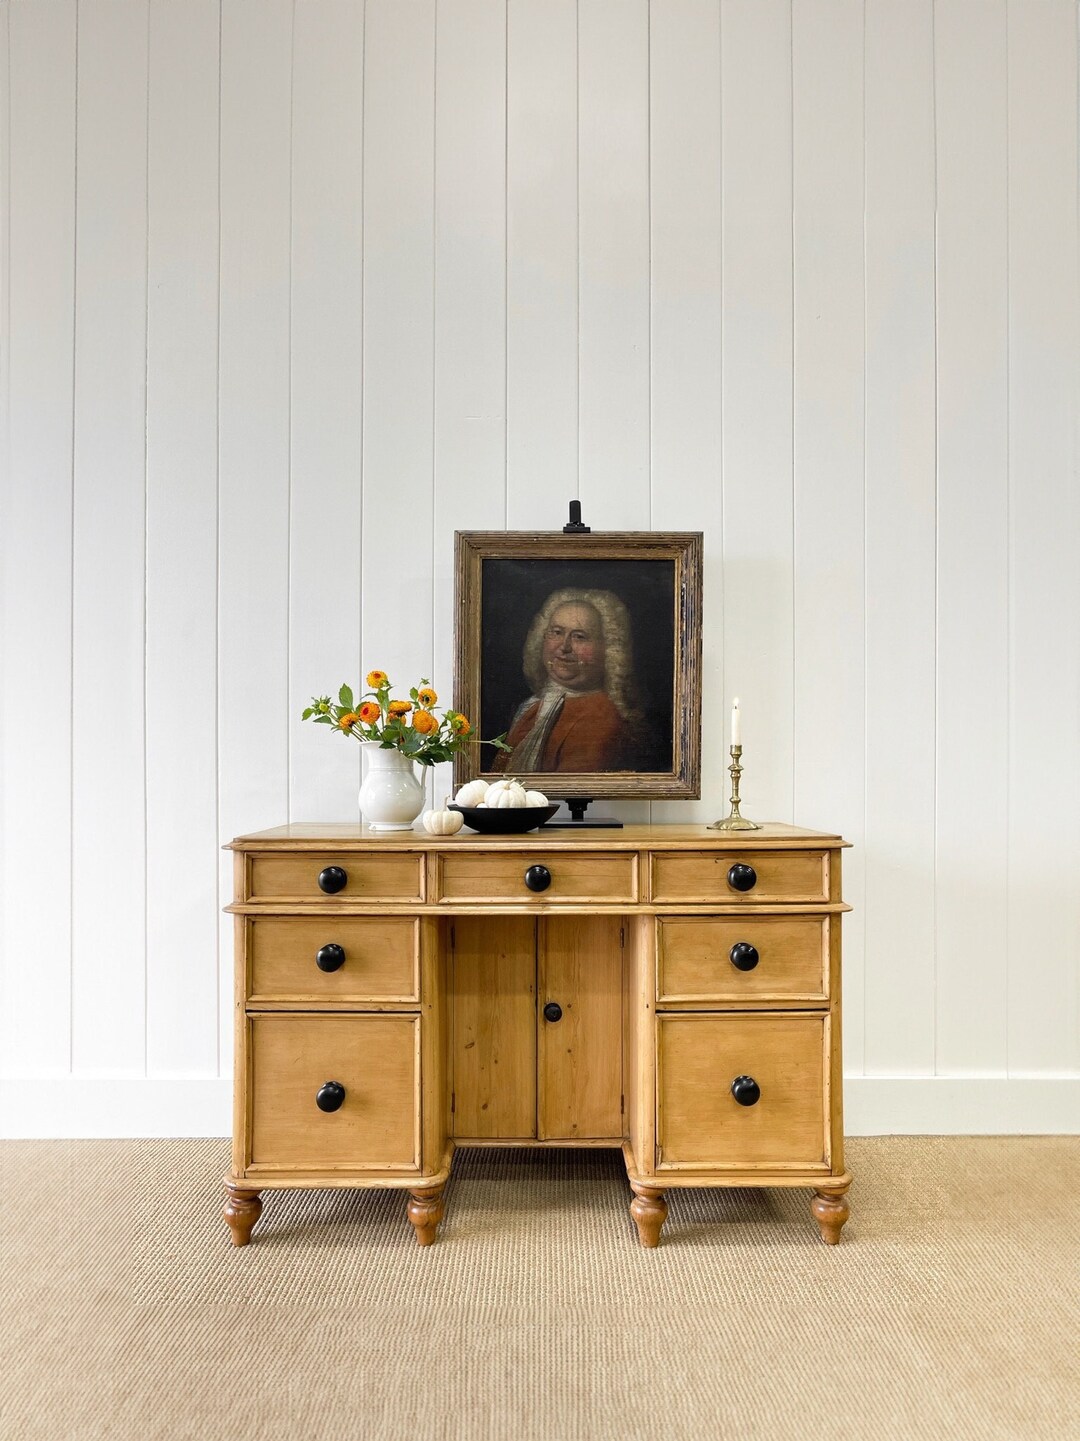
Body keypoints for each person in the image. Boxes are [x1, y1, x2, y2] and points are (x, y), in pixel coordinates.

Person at [492, 588, 644, 774]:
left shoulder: (600, 717)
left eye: (579, 637)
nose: (564, 647)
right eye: (556, 632)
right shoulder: (532, 707)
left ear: (608, 649)